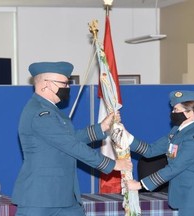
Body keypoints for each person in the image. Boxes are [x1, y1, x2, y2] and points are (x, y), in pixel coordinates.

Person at [11, 61, 132, 216]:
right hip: (41, 197)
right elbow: (71, 145)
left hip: (63, 196)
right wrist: (113, 164)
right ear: (46, 84)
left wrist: (101, 128)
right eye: (64, 83)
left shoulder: (49, 110)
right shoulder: (40, 113)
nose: (67, 88)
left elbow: (69, 139)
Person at [125, 90, 194, 216]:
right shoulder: (177, 131)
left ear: (190, 113)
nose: (172, 113)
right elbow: (150, 150)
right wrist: (126, 138)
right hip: (186, 195)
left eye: (176, 109)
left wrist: (140, 185)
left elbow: (174, 168)